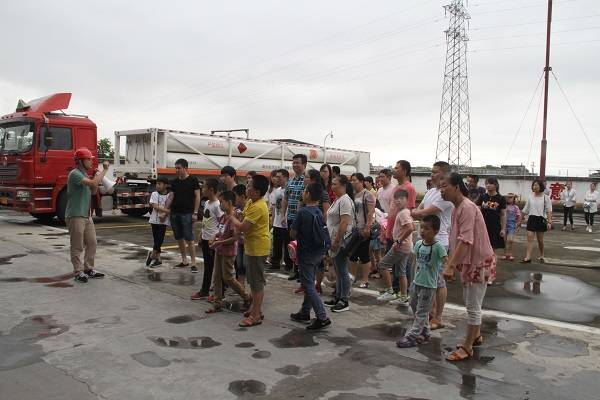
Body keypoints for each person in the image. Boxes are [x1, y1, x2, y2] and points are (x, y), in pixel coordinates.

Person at [441, 172, 496, 362]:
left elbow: (466, 241)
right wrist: (452, 262)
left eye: (444, 186)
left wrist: (450, 266)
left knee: (473, 306)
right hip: (471, 262)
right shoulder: (457, 208)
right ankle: (476, 336)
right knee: (470, 300)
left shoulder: (467, 207)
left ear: (456, 187)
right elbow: (456, 238)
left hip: (478, 262)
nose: (441, 191)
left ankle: (467, 346)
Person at [411, 161, 453, 331]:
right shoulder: (430, 192)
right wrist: (416, 212)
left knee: (438, 281)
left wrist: (416, 212)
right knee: (426, 278)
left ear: (444, 174)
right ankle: (431, 311)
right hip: (425, 239)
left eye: (435, 172)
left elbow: (425, 212)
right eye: (432, 171)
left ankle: (438, 317)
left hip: (439, 240)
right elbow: (419, 209)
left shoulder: (445, 195)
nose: (432, 174)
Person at [396, 215, 448, 348]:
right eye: (422, 227)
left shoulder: (438, 247)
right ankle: (425, 332)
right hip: (416, 283)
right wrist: (413, 280)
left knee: (422, 311)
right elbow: (416, 263)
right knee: (414, 306)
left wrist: (446, 271)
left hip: (429, 286)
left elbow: (446, 261)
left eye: (427, 228)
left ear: (435, 231)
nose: (423, 231)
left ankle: (412, 336)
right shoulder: (419, 244)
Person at [289, 183, 332, 331]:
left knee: (307, 284)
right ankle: (305, 312)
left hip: (306, 252)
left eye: (304, 191)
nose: (303, 193)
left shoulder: (302, 212)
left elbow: (293, 233)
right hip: (317, 251)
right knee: (309, 282)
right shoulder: (318, 211)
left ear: (307, 194)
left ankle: (322, 317)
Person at [230, 175, 271, 327]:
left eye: (249, 187)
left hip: (257, 248)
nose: (246, 189)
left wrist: (231, 217)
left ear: (257, 192)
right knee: (253, 281)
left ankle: (256, 316)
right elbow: (243, 217)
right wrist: (238, 215)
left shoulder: (258, 206)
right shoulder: (250, 202)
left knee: (256, 283)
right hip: (251, 246)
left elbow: (243, 227)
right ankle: (256, 310)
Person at [204, 191, 252, 313]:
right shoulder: (223, 216)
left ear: (229, 202)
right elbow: (220, 231)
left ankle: (246, 296)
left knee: (228, 277)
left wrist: (219, 242)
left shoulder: (233, 218)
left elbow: (235, 238)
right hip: (219, 250)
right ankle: (217, 302)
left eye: (222, 202)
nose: (220, 204)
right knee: (217, 277)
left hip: (228, 252)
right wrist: (214, 236)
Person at [66, 148, 109, 283]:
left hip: (86, 214)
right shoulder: (75, 174)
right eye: (88, 159)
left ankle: (88, 269)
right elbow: (93, 183)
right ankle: (78, 271)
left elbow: (93, 190)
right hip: (75, 215)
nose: (91, 161)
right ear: (80, 161)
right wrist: (104, 171)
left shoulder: (84, 175)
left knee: (92, 243)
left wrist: (96, 177)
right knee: (77, 245)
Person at [376, 189, 414, 305]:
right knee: (401, 272)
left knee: (382, 265)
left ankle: (390, 291)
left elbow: (410, 228)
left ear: (407, 200)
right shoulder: (404, 212)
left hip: (400, 247)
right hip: (405, 247)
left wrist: (398, 241)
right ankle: (404, 297)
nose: (398, 201)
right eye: (396, 198)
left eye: (401, 198)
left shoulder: (403, 213)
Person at [325, 175, 354, 313]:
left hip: (340, 241)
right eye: (332, 184)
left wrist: (337, 241)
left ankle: (344, 300)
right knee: (338, 270)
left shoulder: (345, 201)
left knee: (342, 271)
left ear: (343, 185)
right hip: (333, 239)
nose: (332, 186)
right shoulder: (338, 199)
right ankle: (338, 296)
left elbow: (344, 222)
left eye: (335, 184)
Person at [191, 178, 223, 299]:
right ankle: (205, 291)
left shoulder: (217, 205)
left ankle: (218, 293)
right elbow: (206, 221)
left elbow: (222, 223)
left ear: (211, 190)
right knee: (208, 266)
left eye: (204, 187)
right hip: (205, 238)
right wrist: (201, 234)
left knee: (216, 268)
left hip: (213, 241)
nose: (202, 189)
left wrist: (216, 238)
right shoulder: (207, 203)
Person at [167, 158, 201, 270]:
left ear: (186, 168)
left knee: (189, 238)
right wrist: (165, 210)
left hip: (187, 213)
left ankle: (193, 263)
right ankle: (184, 260)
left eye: (179, 168)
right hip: (175, 213)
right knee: (179, 238)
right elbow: (171, 196)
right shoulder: (175, 182)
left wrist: (195, 213)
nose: (176, 170)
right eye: (175, 168)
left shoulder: (193, 180)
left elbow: (197, 196)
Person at [281, 154, 307, 281]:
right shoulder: (290, 181)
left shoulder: (306, 180)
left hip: (302, 219)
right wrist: (283, 215)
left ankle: (303, 272)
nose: (295, 165)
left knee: (302, 245)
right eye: (294, 162)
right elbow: (285, 199)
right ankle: (295, 270)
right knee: (293, 245)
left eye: (297, 162)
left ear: (304, 165)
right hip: (291, 218)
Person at [349, 173, 375, 289]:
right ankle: (352, 277)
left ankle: (365, 280)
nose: (352, 182)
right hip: (354, 229)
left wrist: (367, 227)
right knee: (353, 255)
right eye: (351, 180)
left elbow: (370, 212)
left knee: (364, 255)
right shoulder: (353, 194)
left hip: (364, 229)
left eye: (354, 180)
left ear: (361, 181)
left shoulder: (367, 195)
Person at [520, 179, 553, 263]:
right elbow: (525, 209)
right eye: (533, 185)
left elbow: (549, 210)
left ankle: (542, 254)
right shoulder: (530, 197)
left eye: (536, 185)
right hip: (531, 218)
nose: (534, 187)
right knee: (529, 238)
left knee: (540, 240)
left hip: (541, 219)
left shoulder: (546, 198)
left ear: (541, 186)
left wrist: (549, 222)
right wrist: (519, 220)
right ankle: (528, 257)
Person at [269, 169, 292, 272]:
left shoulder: (289, 189)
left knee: (287, 244)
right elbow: (274, 207)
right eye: (276, 176)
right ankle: (275, 263)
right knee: (276, 244)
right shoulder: (276, 190)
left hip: (286, 221)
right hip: (277, 222)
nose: (277, 179)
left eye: (279, 177)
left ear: (286, 178)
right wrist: (273, 221)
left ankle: (288, 264)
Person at [146, 177, 171, 268]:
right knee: (156, 240)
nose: (157, 185)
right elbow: (155, 206)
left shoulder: (169, 195)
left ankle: (152, 255)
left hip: (163, 221)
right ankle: (158, 259)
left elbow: (171, 205)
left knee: (160, 240)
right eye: (157, 184)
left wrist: (166, 213)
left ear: (165, 185)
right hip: (154, 220)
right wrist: (167, 211)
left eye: (159, 184)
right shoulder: (154, 194)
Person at [478, 177, 507, 255]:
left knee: (492, 249)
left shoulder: (501, 198)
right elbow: (477, 211)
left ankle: (492, 262)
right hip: (483, 225)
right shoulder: (482, 196)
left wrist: (503, 229)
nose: (488, 185)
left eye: (491, 183)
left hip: (495, 226)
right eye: (486, 183)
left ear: (496, 185)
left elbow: (503, 214)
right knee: (482, 248)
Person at [233, 184, 248, 287]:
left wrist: (234, 219)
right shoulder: (237, 209)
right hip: (239, 241)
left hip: (248, 241)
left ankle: (245, 289)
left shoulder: (249, 209)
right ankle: (241, 288)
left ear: (242, 196)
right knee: (239, 266)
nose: (234, 199)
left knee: (246, 265)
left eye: (235, 196)